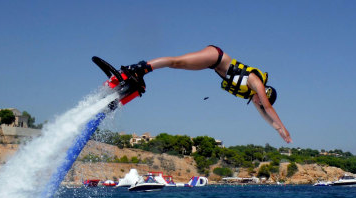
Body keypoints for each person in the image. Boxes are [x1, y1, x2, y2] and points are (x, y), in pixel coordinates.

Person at [124, 45, 292, 143]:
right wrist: (284, 126)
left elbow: (264, 114)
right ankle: (138, 69)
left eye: (258, 103)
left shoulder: (252, 95)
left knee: (178, 65)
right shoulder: (256, 82)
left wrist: (277, 129)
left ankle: (140, 73)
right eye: (260, 100)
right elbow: (268, 107)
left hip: (212, 65)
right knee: (177, 62)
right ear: (266, 93)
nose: (256, 102)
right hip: (216, 57)